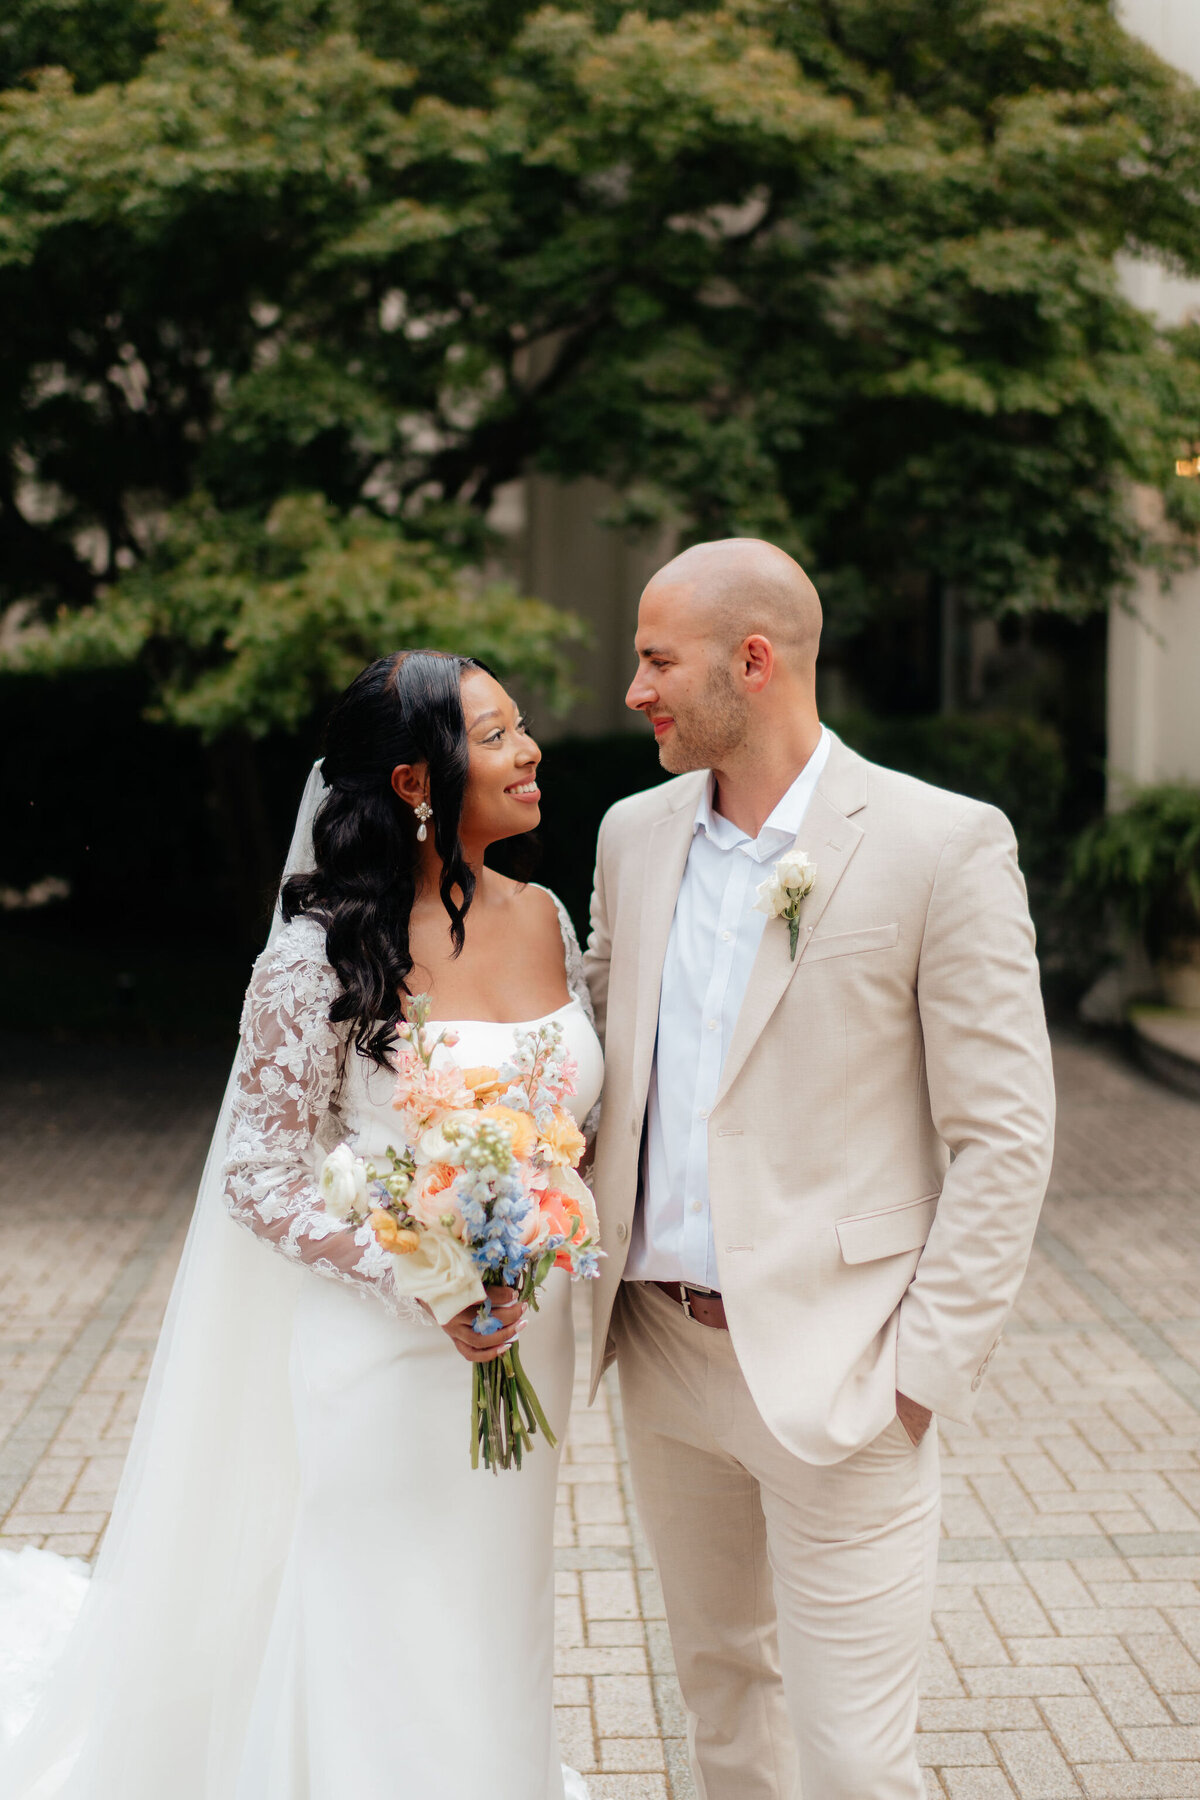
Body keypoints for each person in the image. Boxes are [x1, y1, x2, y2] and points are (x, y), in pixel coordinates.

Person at [0, 650, 600, 1800]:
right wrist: (418, 1273)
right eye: (500, 733)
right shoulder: (316, 953)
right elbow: (261, 1173)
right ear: (417, 780)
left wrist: (528, 1236)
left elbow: (572, 1121)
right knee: (381, 1614)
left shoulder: (546, 918)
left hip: (528, 1331)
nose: (532, 751)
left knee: (496, 1599)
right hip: (383, 1349)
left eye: (524, 727)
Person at [583, 539, 1056, 1800]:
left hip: (845, 1371)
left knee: (855, 1761)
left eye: (654, 658)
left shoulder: (940, 843)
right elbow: (594, 1067)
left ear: (755, 659)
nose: (635, 689)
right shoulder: (632, 836)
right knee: (723, 1706)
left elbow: (1005, 1133)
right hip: (663, 1353)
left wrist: (920, 1373)